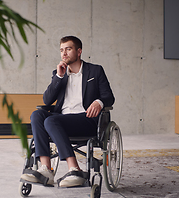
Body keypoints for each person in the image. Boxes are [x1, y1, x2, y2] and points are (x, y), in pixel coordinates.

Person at [21, 36, 115, 187]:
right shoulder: (59, 73)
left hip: (86, 119)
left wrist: (99, 102)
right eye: (61, 50)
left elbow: (109, 97)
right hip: (61, 120)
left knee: (51, 120)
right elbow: (47, 100)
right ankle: (46, 169)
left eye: (68, 49)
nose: (64, 53)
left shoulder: (95, 71)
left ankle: (75, 169)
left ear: (79, 51)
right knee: (37, 114)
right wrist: (59, 77)